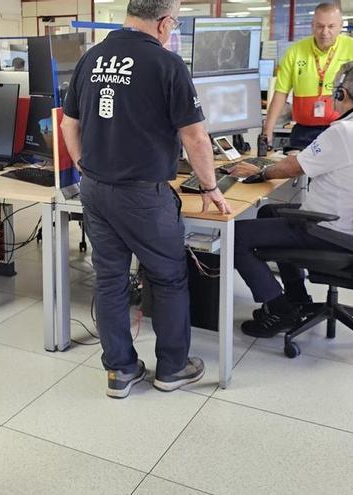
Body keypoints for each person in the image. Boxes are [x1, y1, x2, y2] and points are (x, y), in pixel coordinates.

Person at [61, 0, 231, 399]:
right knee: (168, 278)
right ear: (164, 22)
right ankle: (172, 368)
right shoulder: (167, 65)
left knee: (110, 280)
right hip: (143, 194)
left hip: (96, 190)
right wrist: (209, 187)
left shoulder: (92, 58)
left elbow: (70, 123)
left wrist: (84, 166)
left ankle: (120, 371)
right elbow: (196, 138)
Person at [230, 61, 353, 338]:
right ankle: (297, 299)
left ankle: (279, 308)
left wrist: (260, 172)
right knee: (270, 212)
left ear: (341, 94)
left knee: (235, 236)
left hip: (328, 229)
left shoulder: (344, 132)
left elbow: (294, 167)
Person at [264, 2, 353, 150]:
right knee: (295, 170)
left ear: (340, 26)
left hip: (342, 130)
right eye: (320, 26)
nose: (325, 32)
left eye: (331, 26)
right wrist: (267, 131)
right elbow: (280, 93)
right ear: (312, 25)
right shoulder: (295, 51)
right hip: (303, 133)